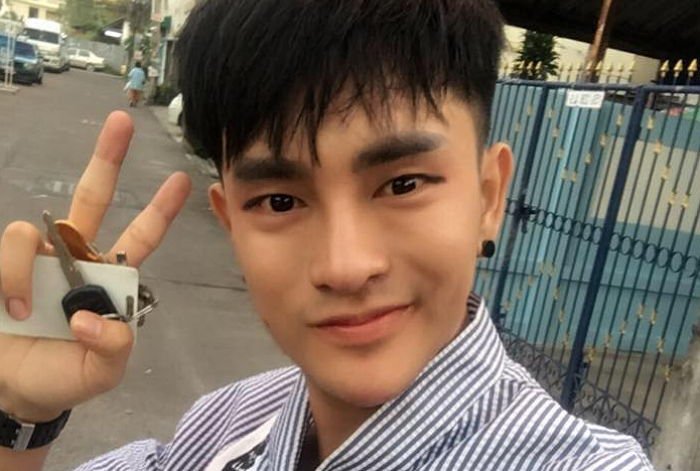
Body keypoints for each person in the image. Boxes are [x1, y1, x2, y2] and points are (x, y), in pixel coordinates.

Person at [0, 0, 654, 469]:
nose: (346, 266)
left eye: (403, 184)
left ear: (488, 196)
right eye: (280, 200)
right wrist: (21, 411)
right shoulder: (220, 431)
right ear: (232, 223)